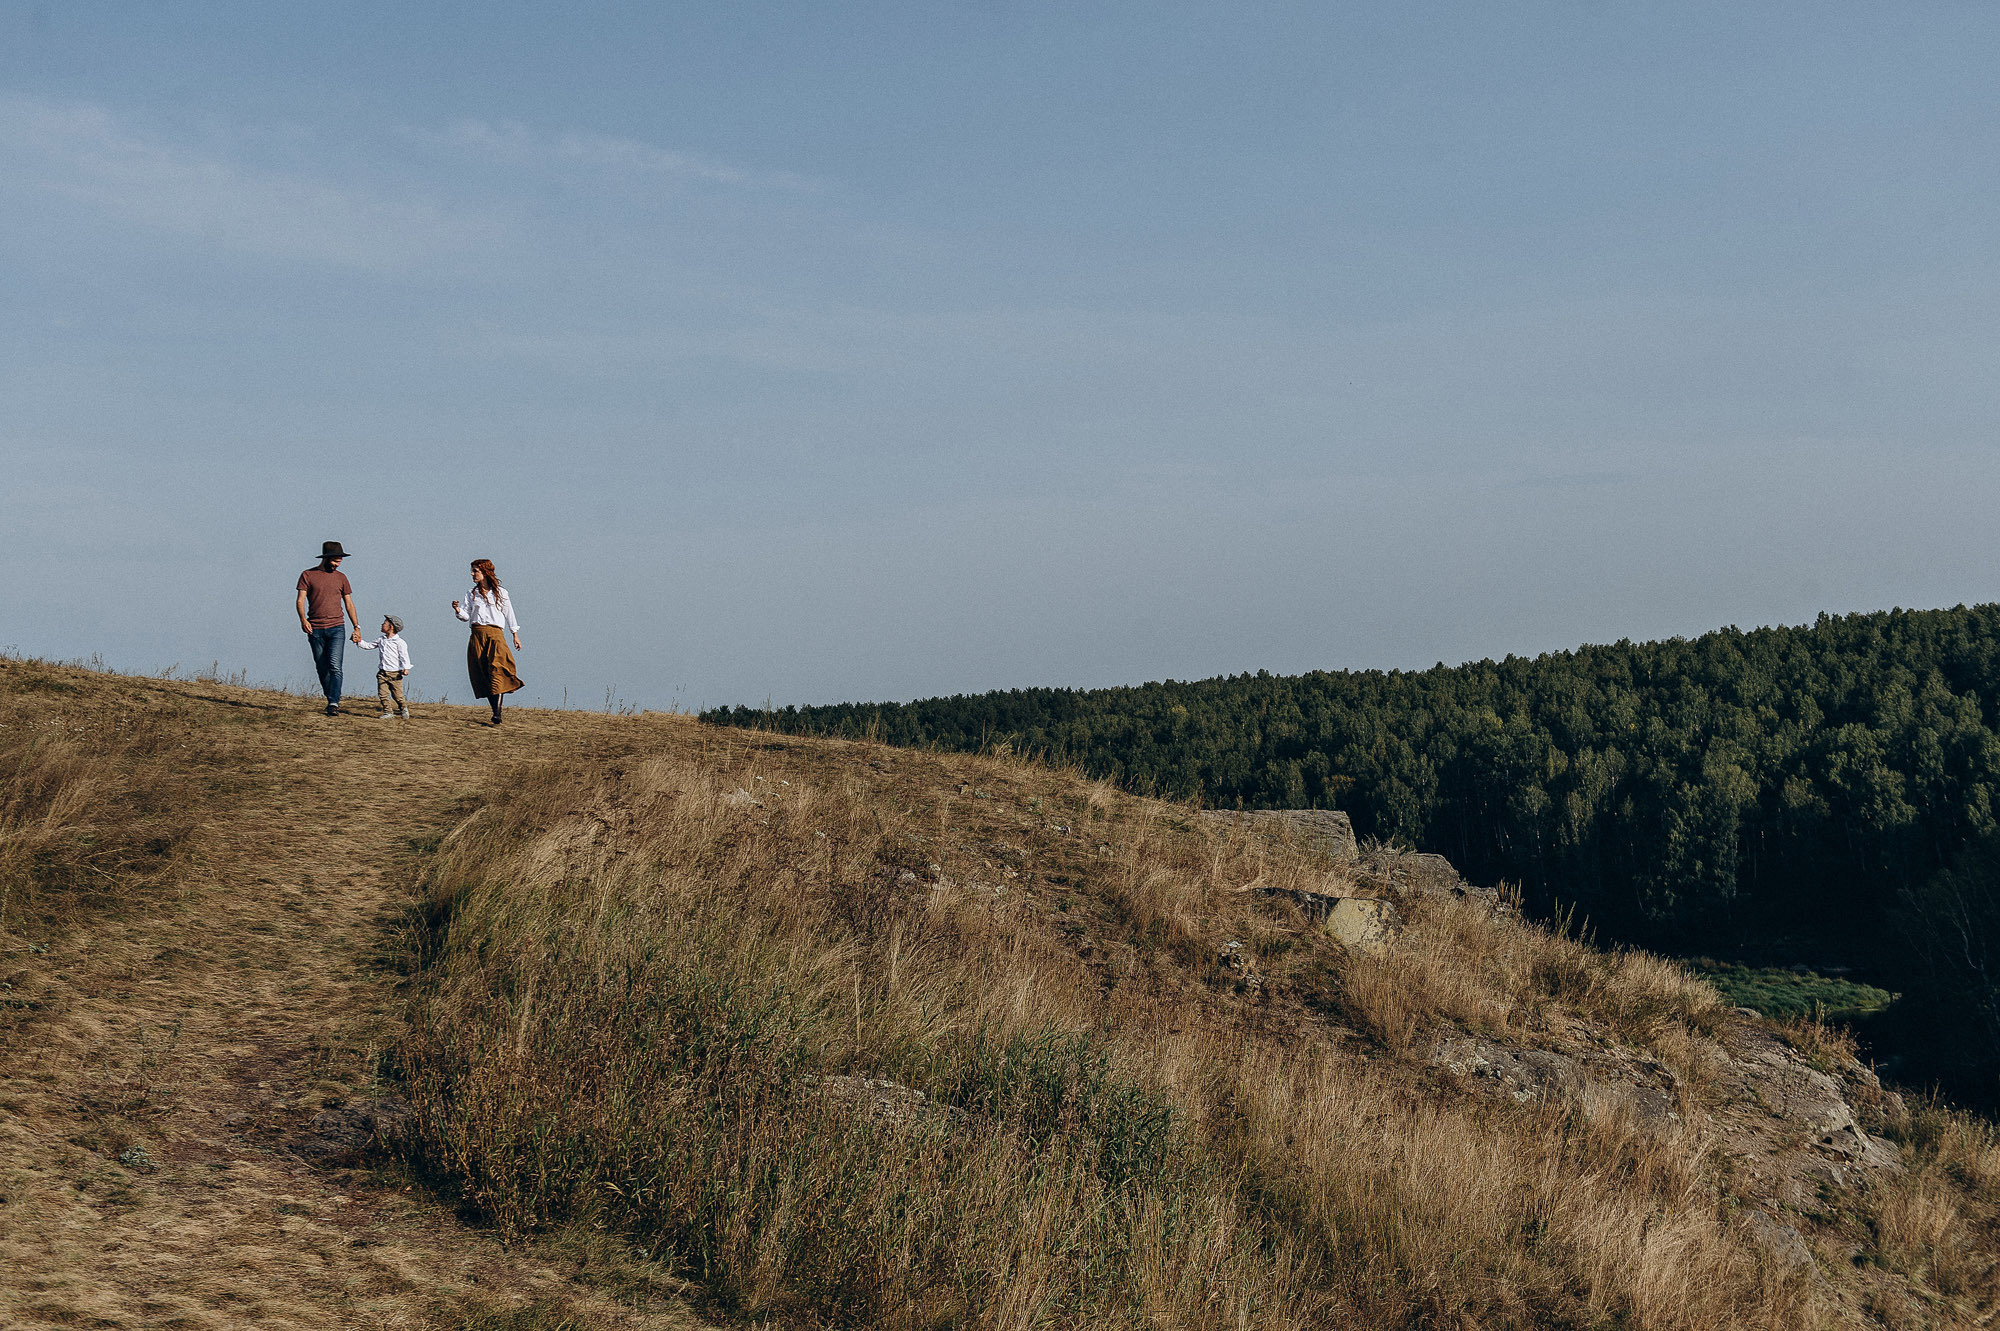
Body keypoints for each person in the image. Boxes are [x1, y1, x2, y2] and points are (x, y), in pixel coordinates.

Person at [452, 558, 523, 725]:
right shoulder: (471, 594)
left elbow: (509, 613)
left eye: (475, 571)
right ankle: (495, 711)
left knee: (497, 670)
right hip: (477, 635)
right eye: (472, 571)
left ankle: (497, 713)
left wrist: (515, 634)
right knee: (484, 674)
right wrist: (457, 610)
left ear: (484, 572)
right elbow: (466, 616)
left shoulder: (500, 592)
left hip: (495, 634)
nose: (472, 574)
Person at [296, 541, 362, 716]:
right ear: (325, 558)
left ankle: (334, 703)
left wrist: (356, 626)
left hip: (337, 628)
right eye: (335, 561)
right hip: (315, 628)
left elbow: (349, 603)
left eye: (339, 561)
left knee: (335, 666)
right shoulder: (307, 575)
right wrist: (303, 619)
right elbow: (300, 600)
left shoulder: (342, 578)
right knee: (321, 666)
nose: (337, 564)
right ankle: (330, 696)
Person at [353, 615, 414, 719]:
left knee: (397, 695)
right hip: (382, 673)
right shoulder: (381, 639)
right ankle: (388, 712)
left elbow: (404, 656)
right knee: (383, 694)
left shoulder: (400, 642)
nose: (382, 624)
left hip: (395, 674)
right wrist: (359, 641)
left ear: (391, 627)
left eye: (384, 623)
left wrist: (406, 668)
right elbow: (369, 645)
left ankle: (403, 708)